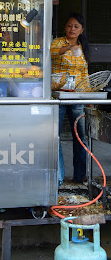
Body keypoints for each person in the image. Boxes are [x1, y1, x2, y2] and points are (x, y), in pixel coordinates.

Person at [50, 12, 90, 185]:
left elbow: (84, 75)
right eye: (69, 25)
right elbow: (52, 53)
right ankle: (58, 178)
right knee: (54, 137)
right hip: (58, 94)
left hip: (77, 97)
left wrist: (87, 97)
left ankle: (80, 176)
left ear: (81, 30)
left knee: (80, 137)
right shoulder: (59, 42)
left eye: (76, 26)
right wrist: (68, 48)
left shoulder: (83, 47)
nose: (72, 29)